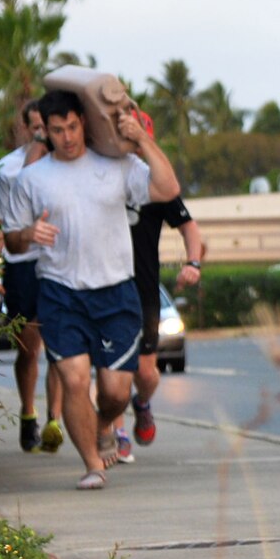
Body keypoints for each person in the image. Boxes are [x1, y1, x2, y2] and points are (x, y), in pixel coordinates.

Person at [3, 89, 181, 490]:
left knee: (116, 392)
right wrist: (29, 233)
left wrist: (141, 139)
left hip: (116, 293)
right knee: (75, 381)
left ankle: (105, 422)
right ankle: (91, 466)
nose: (67, 137)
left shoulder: (116, 166)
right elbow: (12, 241)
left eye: (72, 127)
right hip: (60, 293)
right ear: (45, 132)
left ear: (83, 122)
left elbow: (168, 189)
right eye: (57, 130)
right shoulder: (31, 179)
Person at [115, 109, 205, 455]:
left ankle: (142, 404)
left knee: (146, 373)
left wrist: (193, 262)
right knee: (112, 370)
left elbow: (188, 227)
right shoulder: (103, 175)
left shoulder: (156, 183)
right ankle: (117, 431)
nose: (134, 149)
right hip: (106, 285)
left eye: (139, 141)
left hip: (144, 289)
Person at [0, 98, 67, 452]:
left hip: (57, 260)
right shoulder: (6, 170)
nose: (42, 133)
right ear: (24, 127)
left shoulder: (65, 165)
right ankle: (28, 413)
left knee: (61, 346)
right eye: (36, 127)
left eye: (46, 127)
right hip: (22, 264)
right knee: (28, 347)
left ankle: (54, 419)